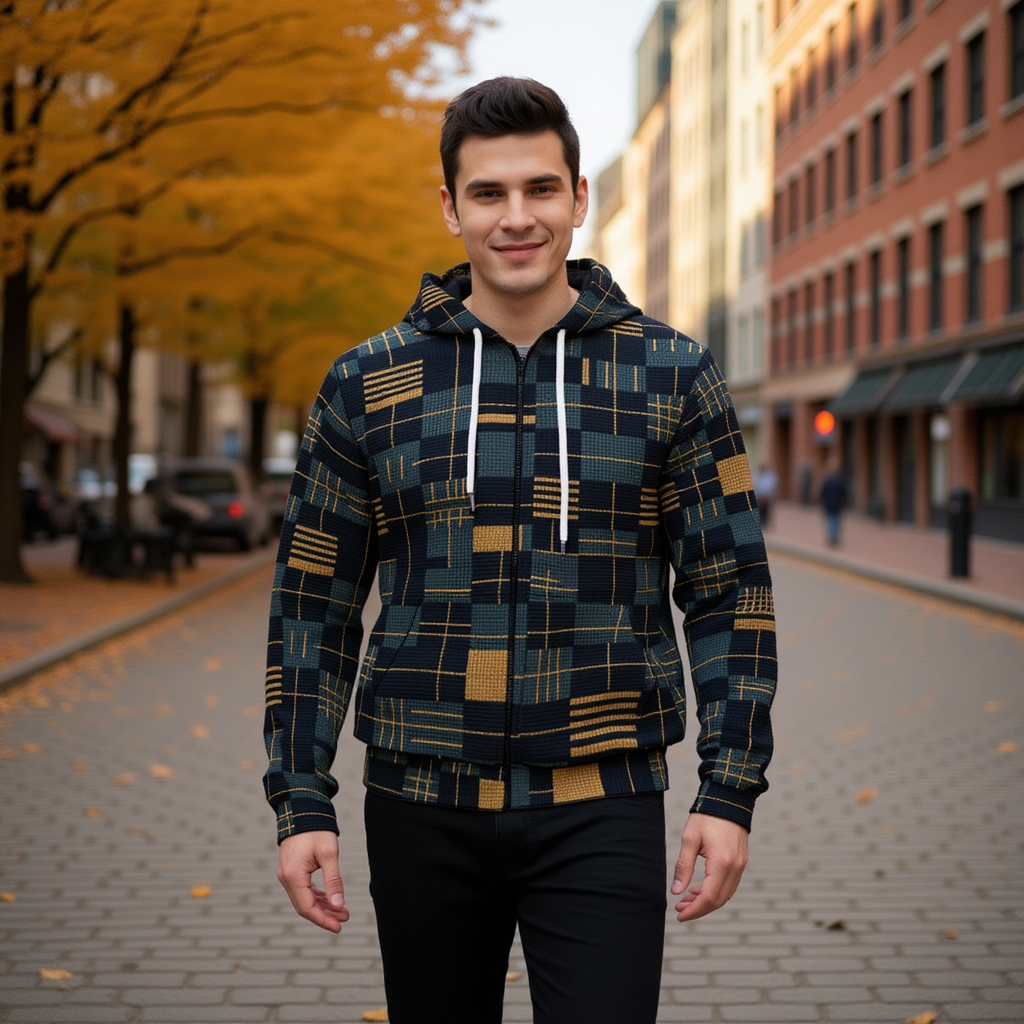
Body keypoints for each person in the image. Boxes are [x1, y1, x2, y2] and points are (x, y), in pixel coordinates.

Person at [264, 77, 777, 1024]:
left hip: (605, 797)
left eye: (541, 189)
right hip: (420, 801)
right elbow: (313, 606)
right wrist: (302, 802)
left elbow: (728, 592)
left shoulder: (673, 373)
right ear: (451, 206)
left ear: (580, 199)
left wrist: (729, 790)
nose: (517, 218)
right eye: (489, 194)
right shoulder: (367, 381)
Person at [820, 460, 849, 546]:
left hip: (828, 504)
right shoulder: (841, 480)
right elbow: (844, 492)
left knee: (830, 520)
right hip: (837, 504)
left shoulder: (827, 481)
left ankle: (832, 537)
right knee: (836, 520)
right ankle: (834, 537)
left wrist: (822, 501)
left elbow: (822, 493)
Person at [753, 462, 779, 528]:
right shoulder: (758, 475)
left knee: (766, 510)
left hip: (767, 496)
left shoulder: (770, 475)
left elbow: (772, 486)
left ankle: (765, 523)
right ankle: (761, 522)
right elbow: (756, 484)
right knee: (760, 510)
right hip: (759, 496)